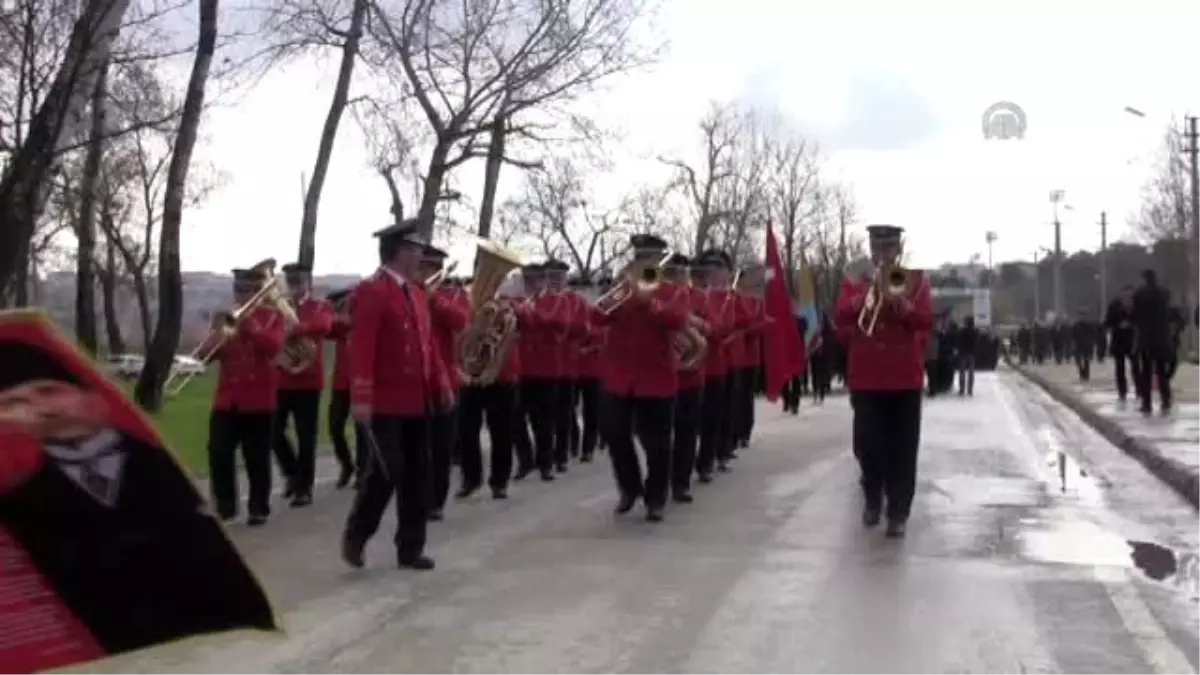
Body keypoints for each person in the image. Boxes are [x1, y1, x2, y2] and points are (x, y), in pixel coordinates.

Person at [0, 339, 277, 655]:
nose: (43, 411)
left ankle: (261, 502)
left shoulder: (159, 465)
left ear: (93, 397)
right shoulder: (22, 500)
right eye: (14, 403)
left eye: (50, 391)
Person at [342, 220, 450, 572]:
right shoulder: (372, 292)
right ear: (399, 251)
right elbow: (362, 347)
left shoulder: (417, 293)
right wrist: (360, 398)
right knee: (387, 471)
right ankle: (358, 534)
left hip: (416, 399)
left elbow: (427, 345)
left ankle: (410, 548)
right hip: (385, 401)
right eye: (416, 248)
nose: (421, 254)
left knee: (419, 473)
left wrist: (441, 384)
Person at [834, 224, 933, 538]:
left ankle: (898, 512)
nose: (883, 254)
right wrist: (867, 294)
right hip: (867, 375)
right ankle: (873, 498)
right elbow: (841, 317)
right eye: (878, 248)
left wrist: (901, 305)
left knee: (903, 447)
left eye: (889, 248)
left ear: (898, 249)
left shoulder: (914, 279)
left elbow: (926, 320)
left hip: (904, 375)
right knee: (867, 445)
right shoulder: (855, 278)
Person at [592, 234, 690, 522]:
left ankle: (656, 497)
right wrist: (623, 296)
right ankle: (629, 487)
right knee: (613, 432)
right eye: (640, 259)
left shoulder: (673, 291)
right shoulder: (623, 291)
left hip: (656, 378)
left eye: (650, 260)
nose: (644, 264)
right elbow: (596, 317)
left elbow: (679, 319)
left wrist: (650, 303)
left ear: (659, 261)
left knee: (657, 443)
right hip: (619, 376)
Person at [206, 266, 285, 526]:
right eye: (237, 288)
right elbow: (205, 356)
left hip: (259, 400)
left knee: (257, 457)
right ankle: (226, 507)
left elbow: (273, 347)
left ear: (258, 291)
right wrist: (215, 336)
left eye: (246, 289)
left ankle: (258, 506)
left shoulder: (273, 316)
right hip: (227, 399)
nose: (240, 294)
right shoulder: (224, 317)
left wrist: (250, 325)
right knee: (218, 452)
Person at [271, 262, 334, 507]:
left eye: (298, 282)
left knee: (306, 436)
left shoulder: (321, 305)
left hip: (308, 380)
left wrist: (298, 328)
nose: (293, 287)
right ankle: (292, 474)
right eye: (290, 282)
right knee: (273, 431)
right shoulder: (279, 308)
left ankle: (304, 489)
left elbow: (325, 326)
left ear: (308, 282)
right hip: (283, 377)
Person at [419, 244, 469, 521]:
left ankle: (435, 500)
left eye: (432, 268)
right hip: (416, 379)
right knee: (418, 445)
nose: (427, 272)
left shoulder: (453, 295)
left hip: (445, 380)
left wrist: (434, 300)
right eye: (423, 267)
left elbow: (461, 320)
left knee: (440, 446)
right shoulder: (409, 293)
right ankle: (417, 495)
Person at [664, 253, 705, 504]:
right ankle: (662, 478)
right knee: (660, 434)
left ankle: (681, 482)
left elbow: (714, 327)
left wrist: (694, 324)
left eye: (678, 273)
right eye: (669, 272)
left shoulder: (699, 297)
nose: (674, 278)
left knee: (686, 433)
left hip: (691, 374)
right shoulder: (657, 295)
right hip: (663, 375)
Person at [326, 287, 362, 488]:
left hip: (360, 382)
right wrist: (332, 310)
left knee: (361, 429)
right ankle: (347, 464)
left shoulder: (362, 321)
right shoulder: (341, 325)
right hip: (341, 383)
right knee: (335, 426)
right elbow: (327, 327)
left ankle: (363, 469)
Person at [1131, 269, 1173, 415]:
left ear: (1144, 279)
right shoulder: (1165, 293)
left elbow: (1134, 316)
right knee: (1162, 372)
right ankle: (1166, 400)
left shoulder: (1139, 295)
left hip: (1146, 338)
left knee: (1146, 372)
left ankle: (1147, 403)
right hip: (1161, 337)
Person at [1104, 286, 1137, 402]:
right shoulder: (1114, 306)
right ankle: (1122, 391)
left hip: (1132, 339)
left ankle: (1139, 389)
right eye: (1125, 294)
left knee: (1136, 366)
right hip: (1118, 339)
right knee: (1120, 367)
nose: (1127, 297)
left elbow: (1141, 319)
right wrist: (1118, 325)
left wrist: (1131, 324)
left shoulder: (1137, 305)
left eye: (1129, 295)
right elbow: (1107, 322)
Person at [1071, 310, 1097, 382]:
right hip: (1078, 344)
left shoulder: (1089, 325)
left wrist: (1091, 342)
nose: (1081, 317)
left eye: (1083, 316)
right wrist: (1073, 343)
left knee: (1086, 360)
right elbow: (1073, 335)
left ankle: (1086, 375)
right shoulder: (1076, 325)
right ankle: (1081, 373)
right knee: (1078, 361)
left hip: (1086, 344)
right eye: (1080, 316)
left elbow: (1093, 334)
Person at [956, 315, 978, 396]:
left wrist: (959, 349)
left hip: (963, 353)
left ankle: (962, 389)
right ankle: (970, 390)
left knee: (962, 372)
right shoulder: (975, 331)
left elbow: (959, 341)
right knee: (971, 372)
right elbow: (976, 342)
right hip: (972, 353)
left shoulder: (962, 331)